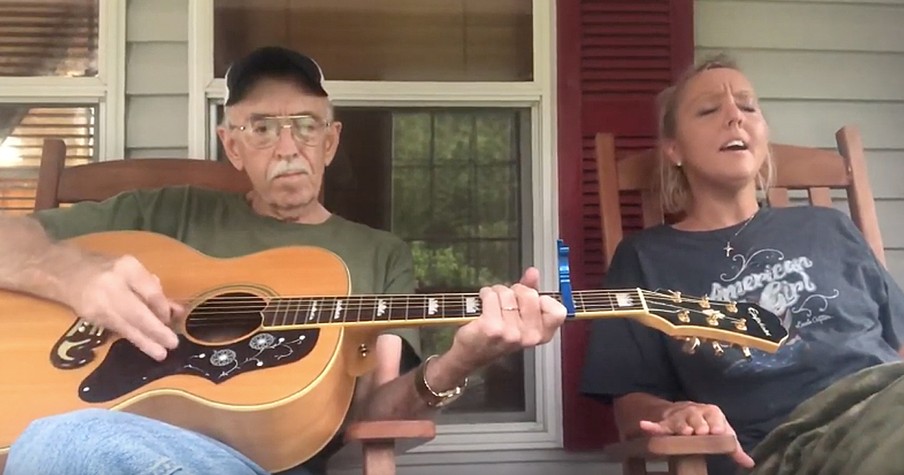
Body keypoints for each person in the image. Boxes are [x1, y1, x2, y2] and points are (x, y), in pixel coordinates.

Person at [0, 45, 567, 475]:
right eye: (263, 128)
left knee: (61, 444)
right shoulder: (167, 213)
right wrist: (71, 273)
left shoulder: (376, 256)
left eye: (305, 125)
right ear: (232, 144)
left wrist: (459, 362)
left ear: (331, 140)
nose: (287, 146)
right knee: (62, 441)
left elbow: (375, 416)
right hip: (85, 436)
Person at [580, 54, 904, 475]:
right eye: (709, 110)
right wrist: (674, 414)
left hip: (885, 407)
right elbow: (629, 406)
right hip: (788, 448)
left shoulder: (829, 226)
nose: (735, 117)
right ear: (674, 149)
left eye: (748, 107)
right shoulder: (646, 260)